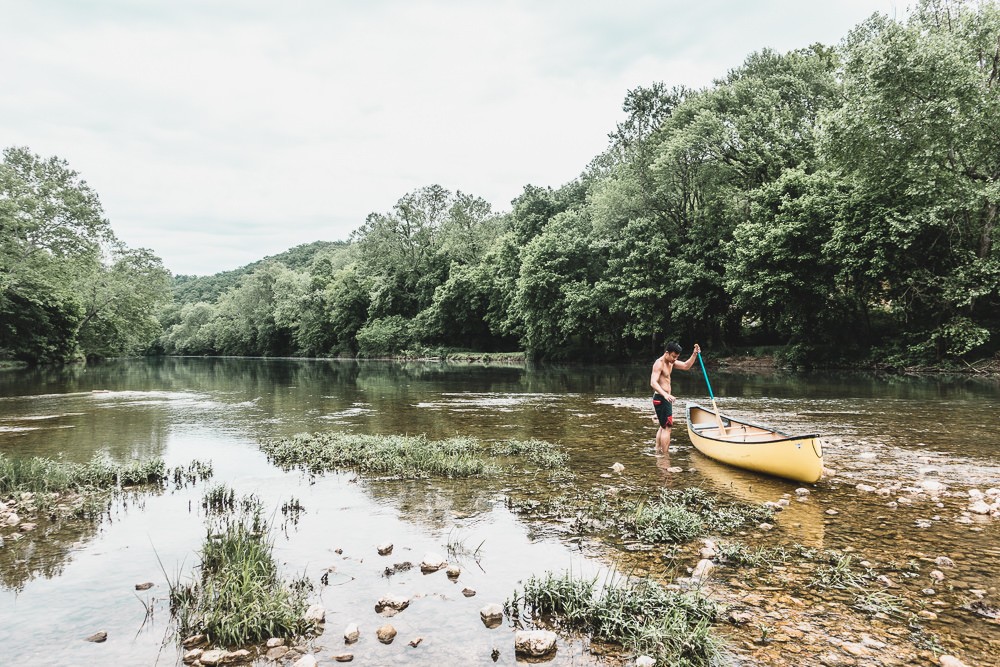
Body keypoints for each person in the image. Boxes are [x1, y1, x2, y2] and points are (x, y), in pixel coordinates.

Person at [650, 341, 701, 453]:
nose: (674, 359)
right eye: (673, 356)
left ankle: (657, 450)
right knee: (667, 428)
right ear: (667, 353)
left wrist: (694, 354)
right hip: (662, 398)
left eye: (676, 357)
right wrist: (666, 394)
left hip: (665, 398)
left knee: (662, 426)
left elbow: (686, 366)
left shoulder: (671, 362)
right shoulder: (659, 363)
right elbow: (653, 382)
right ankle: (665, 456)